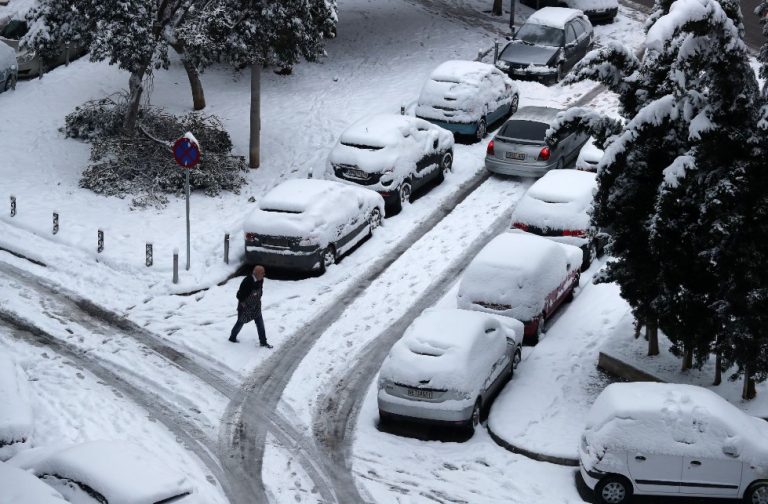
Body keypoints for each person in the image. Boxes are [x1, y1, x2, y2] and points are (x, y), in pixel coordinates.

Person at [229, 265, 272, 348]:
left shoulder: (261, 280)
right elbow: (239, 295)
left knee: (260, 323)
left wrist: (258, 298)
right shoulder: (247, 281)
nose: (264, 274)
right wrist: (243, 303)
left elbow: (260, 290)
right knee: (240, 322)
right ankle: (232, 337)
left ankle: (263, 342)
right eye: (262, 273)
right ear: (256, 273)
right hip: (246, 306)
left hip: (256, 306)